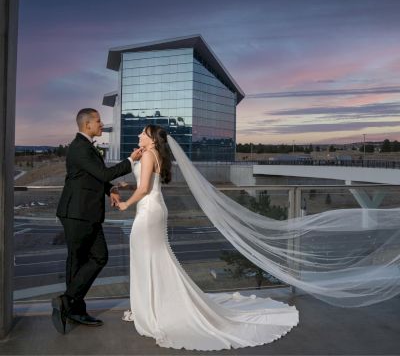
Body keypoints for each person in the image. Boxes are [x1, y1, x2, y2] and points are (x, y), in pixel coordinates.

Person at [117, 125, 299, 351]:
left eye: (143, 133)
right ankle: (150, 306)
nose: (138, 135)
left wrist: (126, 202)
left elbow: (145, 188)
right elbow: (148, 184)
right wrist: (129, 185)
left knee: (146, 260)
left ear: (152, 139)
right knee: (155, 258)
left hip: (147, 213)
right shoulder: (155, 155)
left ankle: (151, 309)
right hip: (155, 210)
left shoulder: (146, 155)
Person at [52, 108, 142, 335]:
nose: (102, 125)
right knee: (79, 260)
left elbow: (94, 177)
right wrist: (131, 160)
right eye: (99, 121)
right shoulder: (79, 148)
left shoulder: (86, 147)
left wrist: (109, 189)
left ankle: (69, 303)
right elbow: (103, 173)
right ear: (87, 124)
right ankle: (72, 306)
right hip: (76, 213)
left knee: (95, 258)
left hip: (86, 213)